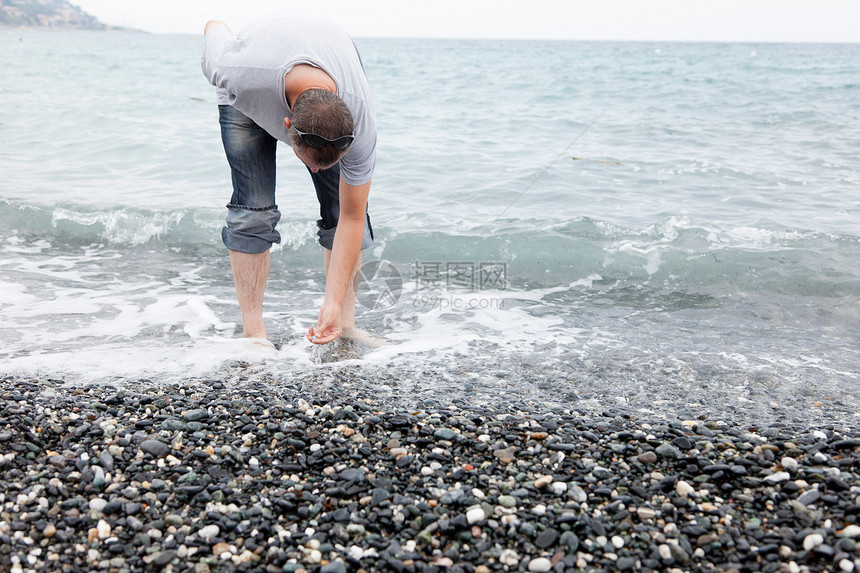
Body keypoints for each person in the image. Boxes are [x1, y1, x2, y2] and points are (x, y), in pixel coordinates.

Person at [201, 17, 376, 346]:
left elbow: (353, 217)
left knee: (343, 208)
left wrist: (332, 303)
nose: (318, 172)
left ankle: (344, 324)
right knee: (253, 208)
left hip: (324, 53)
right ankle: (254, 333)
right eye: (312, 165)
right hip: (248, 92)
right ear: (285, 127)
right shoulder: (234, 68)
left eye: (328, 164)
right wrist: (216, 25)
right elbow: (214, 30)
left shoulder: (361, 123)